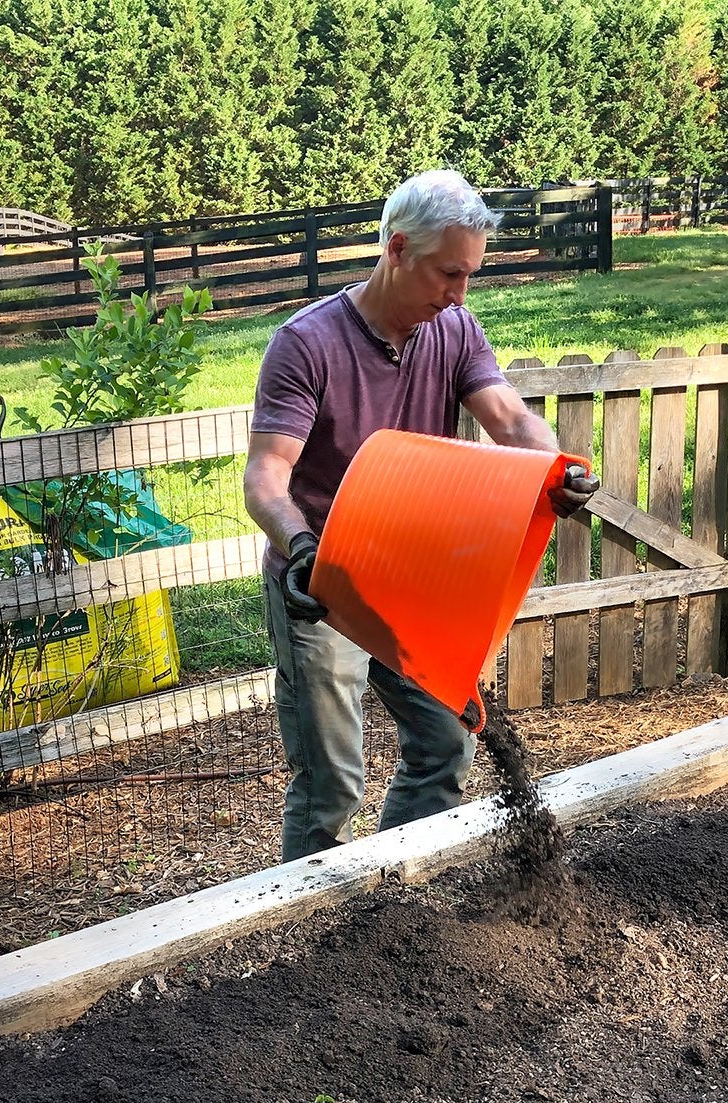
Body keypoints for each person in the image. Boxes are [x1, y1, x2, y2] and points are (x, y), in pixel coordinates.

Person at [244, 168, 594, 864]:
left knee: (444, 744)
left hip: (414, 578)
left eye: (470, 276)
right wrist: (302, 547)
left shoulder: (455, 330)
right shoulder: (307, 344)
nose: (460, 294)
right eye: (448, 274)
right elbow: (265, 476)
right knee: (331, 784)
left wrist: (556, 469)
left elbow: (513, 421)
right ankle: (320, 936)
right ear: (397, 249)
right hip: (323, 583)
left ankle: (392, 901)